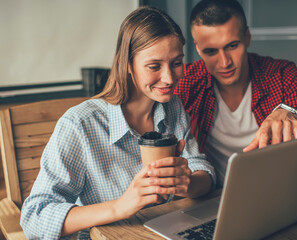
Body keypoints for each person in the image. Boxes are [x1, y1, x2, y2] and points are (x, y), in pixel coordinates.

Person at [20, 6, 215, 239]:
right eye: (154, 66)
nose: (170, 78)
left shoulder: (173, 108)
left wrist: (187, 183)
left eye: (176, 62)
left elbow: (203, 172)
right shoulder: (80, 125)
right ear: (127, 64)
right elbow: (34, 217)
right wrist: (121, 206)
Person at [174, 0, 297, 187]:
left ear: (247, 36)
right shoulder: (185, 80)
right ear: (197, 48)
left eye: (232, 45)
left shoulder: (283, 74)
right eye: (211, 51)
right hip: (211, 196)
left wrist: (294, 118)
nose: (224, 62)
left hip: (273, 189)